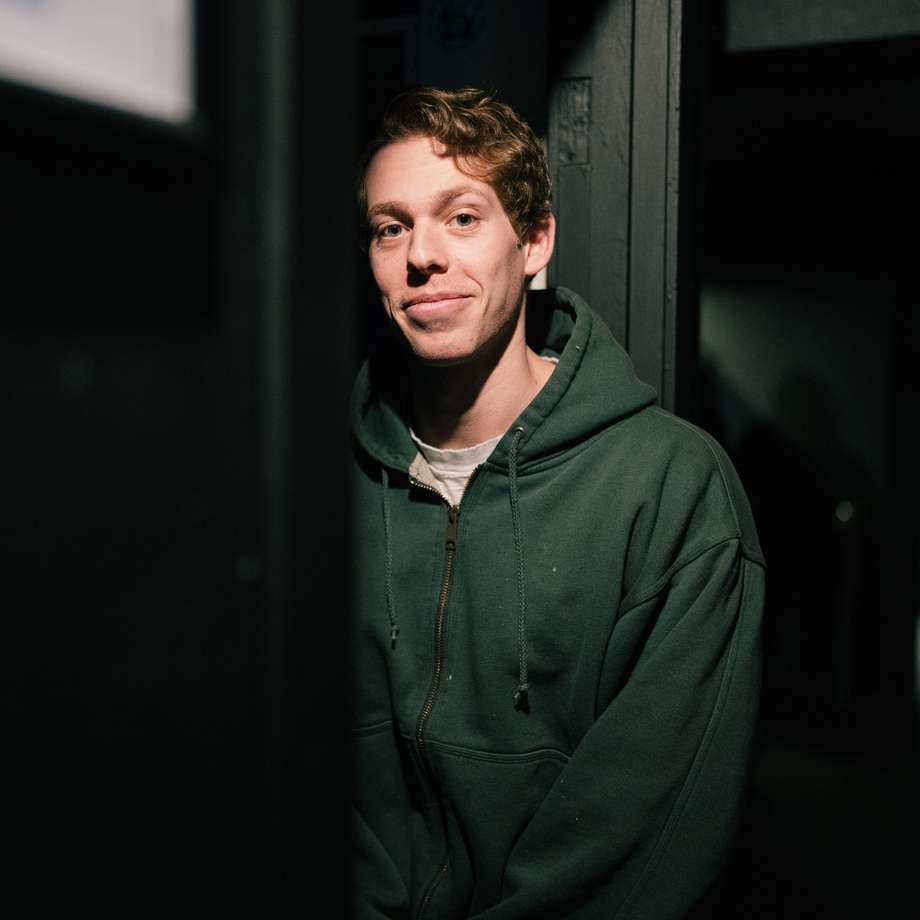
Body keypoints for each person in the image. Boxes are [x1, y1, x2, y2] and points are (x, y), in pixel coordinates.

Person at [350, 86, 764, 920]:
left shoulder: (669, 488)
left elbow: (642, 836)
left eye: (462, 217)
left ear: (535, 241)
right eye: (391, 227)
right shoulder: (325, 480)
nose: (421, 255)